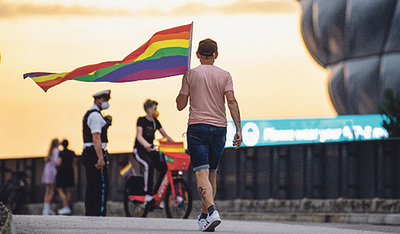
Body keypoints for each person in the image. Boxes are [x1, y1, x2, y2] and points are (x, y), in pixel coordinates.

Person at [176, 38, 242, 232]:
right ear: (216, 55)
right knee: (211, 173)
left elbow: (180, 105)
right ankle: (205, 217)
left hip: (197, 128)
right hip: (219, 129)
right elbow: (231, 102)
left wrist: (183, 84)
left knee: (201, 173)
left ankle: (212, 210)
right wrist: (238, 128)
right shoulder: (225, 75)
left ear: (197, 55)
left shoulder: (190, 74)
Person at [133, 99, 173, 204]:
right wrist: (146, 144)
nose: (156, 111)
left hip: (151, 151)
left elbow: (165, 135)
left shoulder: (156, 122)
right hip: (140, 150)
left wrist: (175, 145)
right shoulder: (141, 120)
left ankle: (156, 194)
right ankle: (147, 193)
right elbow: (139, 136)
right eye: (154, 109)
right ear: (148, 110)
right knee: (148, 165)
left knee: (164, 168)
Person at [80, 90, 112, 216]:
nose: (107, 103)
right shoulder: (95, 116)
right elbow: (96, 138)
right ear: (98, 100)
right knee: (101, 186)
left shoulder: (92, 114)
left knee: (92, 185)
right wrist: (100, 158)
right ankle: (99, 213)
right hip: (94, 153)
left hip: (89, 152)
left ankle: (91, 213)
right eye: (105, 100)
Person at [56, 139, 77, 215]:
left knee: (60, 190)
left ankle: (65, 206)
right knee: (68, 191)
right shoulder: (72, 153)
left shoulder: (61, 153)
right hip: (70, 171)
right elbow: (74, 163)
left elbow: (59, 162)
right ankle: (69, 207)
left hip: (62, 171)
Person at [41, 138, 60, 215]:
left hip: (47, 172)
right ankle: (47, 208)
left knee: (47, 190)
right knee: (52, 190)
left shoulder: (50, 151)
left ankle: (46, 208)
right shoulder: (56, 151)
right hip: (52, 172)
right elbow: (56, 162)